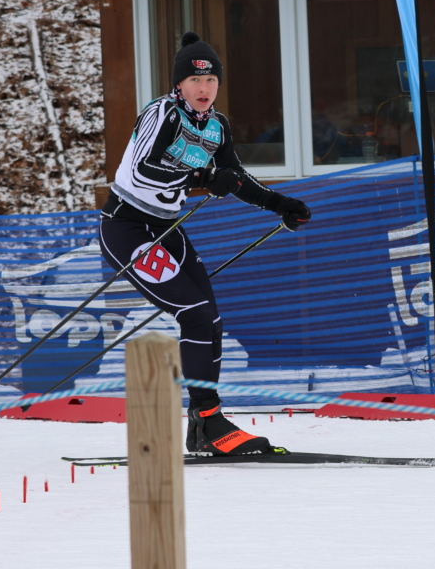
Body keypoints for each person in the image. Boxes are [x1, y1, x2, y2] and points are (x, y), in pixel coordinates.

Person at [100, 32, 311, 455]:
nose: (203, 88)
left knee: (209, 318)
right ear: (179, 84)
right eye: (195, 81)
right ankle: (210, 423)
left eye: (211, 80)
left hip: (164, 227)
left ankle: (204, 425)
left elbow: (233, 177)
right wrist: (199, 179)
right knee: (194, 314)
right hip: (126, 227)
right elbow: (141, 172)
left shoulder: (216, 126)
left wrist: (278, 203)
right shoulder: (162, 113)